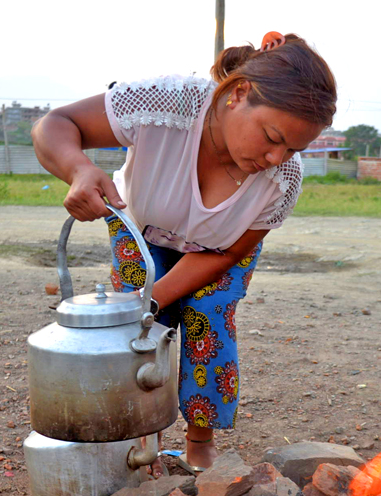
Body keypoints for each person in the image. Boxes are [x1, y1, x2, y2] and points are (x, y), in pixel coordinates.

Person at [33, 32, 337, 472]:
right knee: (138, 331)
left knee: (207, 316)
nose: (276, 157)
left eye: (292, 148)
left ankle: (200, 439)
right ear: (238, 93)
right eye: (272, 136)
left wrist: (155, 299)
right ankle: (142, 432)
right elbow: (55, 124)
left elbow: (227, 254)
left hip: (219, 250)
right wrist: (78, 169)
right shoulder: (169, 103)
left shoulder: (283, 179)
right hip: (143, 230)